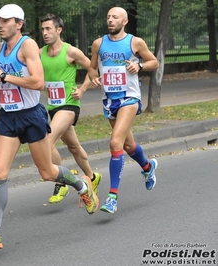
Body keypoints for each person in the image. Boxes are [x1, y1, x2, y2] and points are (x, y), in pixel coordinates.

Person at [0, 4, 99, 249]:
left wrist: (3, 78)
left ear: (19, 24)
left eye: (5, 21)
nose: (0, 25)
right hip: (8, 116)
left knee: (48, 172)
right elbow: (11, 80)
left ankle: (82, 185)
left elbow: (38, 83)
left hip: (30, 116)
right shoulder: (1, 48)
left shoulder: (27, 46)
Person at [88, 7, 159, 213]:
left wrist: (140, 67)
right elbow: (92, 67)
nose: (110, 20)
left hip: (130, 97)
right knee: (128, 145)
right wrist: (94, 77)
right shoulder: (98, 44)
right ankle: (147, 167)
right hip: (110, 100)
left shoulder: (135, 42)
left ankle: (112, 197)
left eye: (115, 17)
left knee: (114, 142)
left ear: (125, 21)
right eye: (108, 16)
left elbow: (154, 62)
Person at [39, 13, 102, 204]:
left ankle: (62, 181)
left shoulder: (71, 51)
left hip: (69, 105)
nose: (45, 32)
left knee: (47, 141)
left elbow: (92, 69)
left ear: (59, 30)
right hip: (53, 106)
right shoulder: (40, 53)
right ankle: (92, 177)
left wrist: (82, 89)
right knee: (73, 146)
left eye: (48, 28)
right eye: (42, 29)